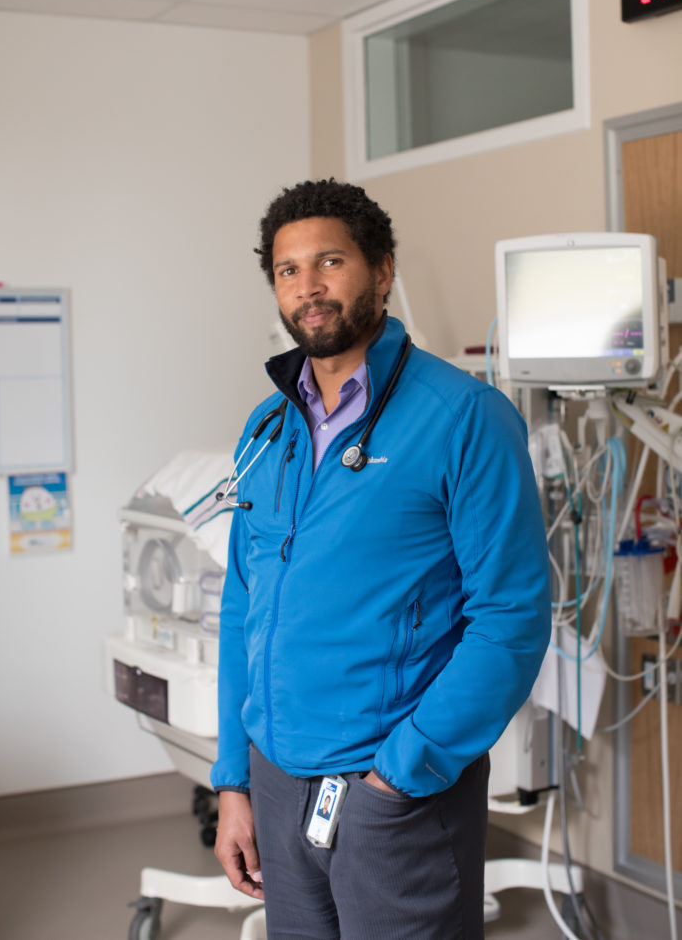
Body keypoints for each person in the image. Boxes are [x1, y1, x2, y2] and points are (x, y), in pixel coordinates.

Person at [211, 178, 551, 940]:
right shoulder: (267, 428)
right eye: (288, 270)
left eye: (329, 262)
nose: (308, 288)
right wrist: (234, 779)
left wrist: (401, 774)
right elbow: (244, 605)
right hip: (275, 778)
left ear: (382, 270)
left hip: (392, 788)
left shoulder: (464, 419)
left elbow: (512, 617)